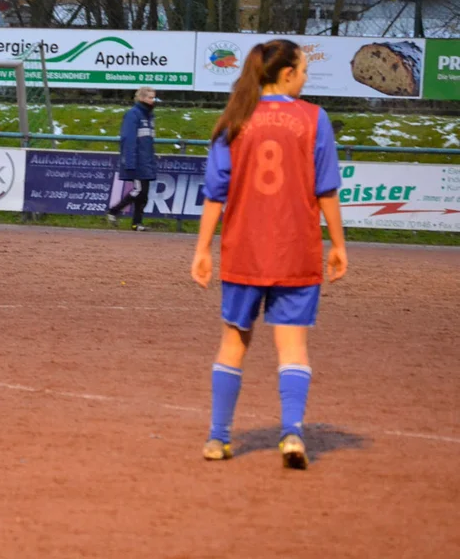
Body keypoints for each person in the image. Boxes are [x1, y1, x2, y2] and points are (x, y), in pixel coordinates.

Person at [190, 39, 348, 469]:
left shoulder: (235, 120)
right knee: (293, 347)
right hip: (295, 250)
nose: (306, 76)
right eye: (303, 69)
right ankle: (292, 433)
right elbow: (326, 189)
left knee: (233, 343)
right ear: (286, 75)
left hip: (244, 250)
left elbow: (214, 195)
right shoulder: (315, 119)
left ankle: (218, 439)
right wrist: (338, 243)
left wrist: (203, 249)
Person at [107, 86, 157, 231]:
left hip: (146, 160)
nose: (152, 100)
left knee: (144, 194)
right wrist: (129, 161)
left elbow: (147, 142)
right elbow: (128, 140)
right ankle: (114, 211)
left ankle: (137, 223)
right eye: (149, 97)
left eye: (153, 97)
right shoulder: (133, 115)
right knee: (138, 191)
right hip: (137, 161)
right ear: (141, 98)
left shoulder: (149, 116)